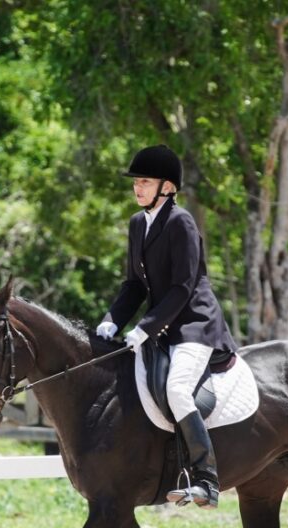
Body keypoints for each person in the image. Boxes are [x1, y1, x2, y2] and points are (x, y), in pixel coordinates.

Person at [96, 144, 238, 509]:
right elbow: (134, 285)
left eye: (145, 182)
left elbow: (183, 286)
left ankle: (206, 480)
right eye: (136, 183)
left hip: (194, 323)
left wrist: (145, 325)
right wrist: (112, 320)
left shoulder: (181, 221)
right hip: (160, 327)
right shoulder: (136, 224)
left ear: (168, 187)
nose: (137, 188)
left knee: (177, 390)